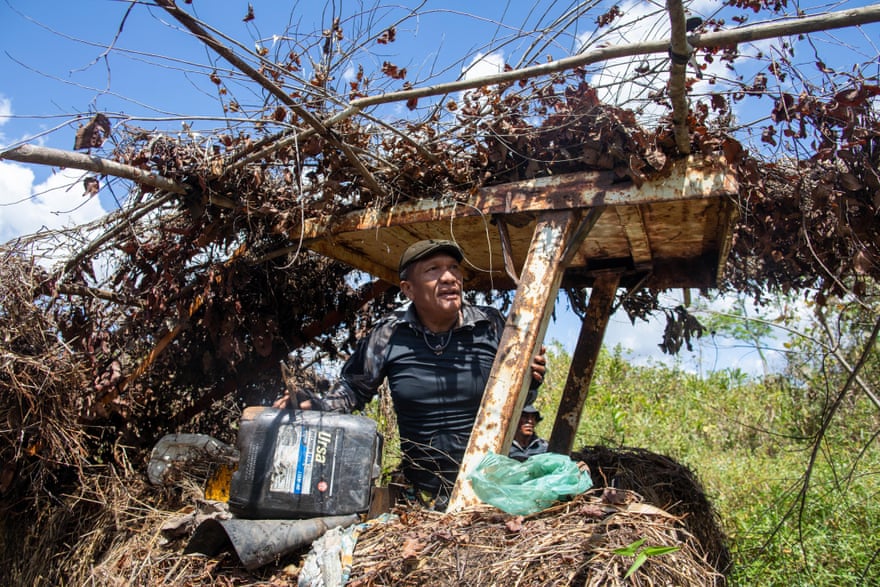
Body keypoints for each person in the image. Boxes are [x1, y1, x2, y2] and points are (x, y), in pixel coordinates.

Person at [273, 239, 546, 508]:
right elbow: (354, 389)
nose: (450, 277)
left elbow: (518, 395)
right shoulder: (389, 334)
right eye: (433, 270)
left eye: (454, 268)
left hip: (489, 487)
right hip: (423, 493)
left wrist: (530, 379)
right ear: (408, 289)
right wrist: (317, 404)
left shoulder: (491, 325)